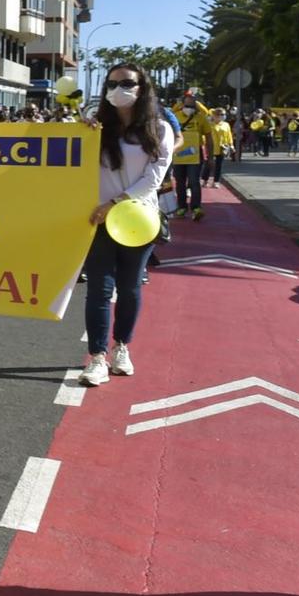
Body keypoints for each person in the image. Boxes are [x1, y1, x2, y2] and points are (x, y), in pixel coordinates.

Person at [80, 63, 173, 386]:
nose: (119, 88)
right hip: (100, 220)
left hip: (138, 221)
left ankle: (121, 347)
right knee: (99, 289)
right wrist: (79, 132)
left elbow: (153, 178)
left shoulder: (159, 129)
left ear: (142, 87)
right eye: (113, 82)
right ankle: (96, 358)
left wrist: (115, 204)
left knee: (130, 288)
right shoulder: (95, 129)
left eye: (127, 83)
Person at [168, 89, 212, 220]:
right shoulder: (175, 116)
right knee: (180, 182)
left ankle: (196, 208)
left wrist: (211, 157)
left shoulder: (201, 118)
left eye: (192, 105)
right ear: (182, 104)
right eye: (187, 105)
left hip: (195, 156)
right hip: (178, 155)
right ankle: (181, 207)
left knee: (194, 182)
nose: (189, 108)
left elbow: (209, 138)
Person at [209, 110, 234, 185]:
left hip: (222, 147)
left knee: (218, 165)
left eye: (224, 114)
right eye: (221, 114)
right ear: (215, 116)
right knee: (208, 165)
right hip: (211, 147)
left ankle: (216, 181)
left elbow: (229, 135)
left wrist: (231, 144)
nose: (223, 116)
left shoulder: (226, 124)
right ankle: (205, 178)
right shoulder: (210, 124)